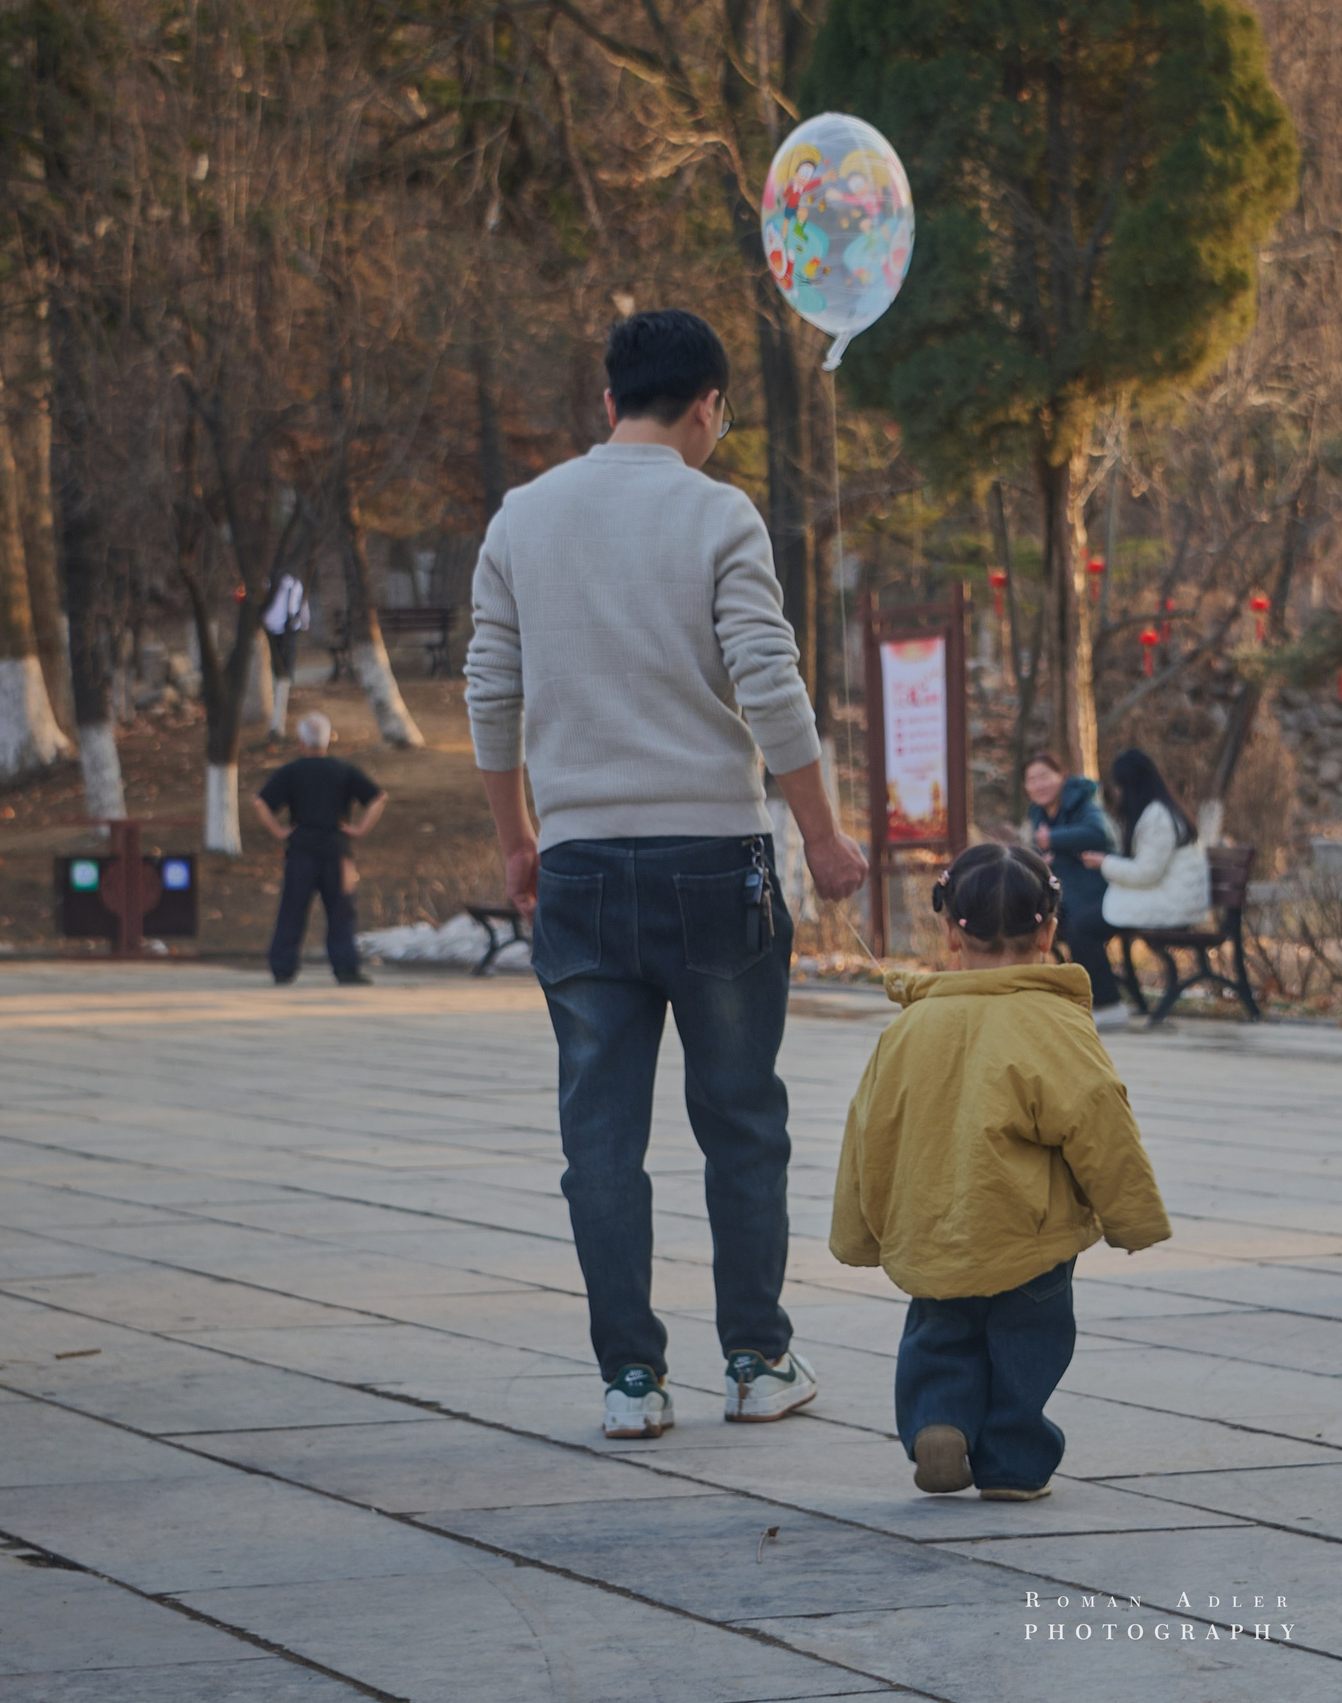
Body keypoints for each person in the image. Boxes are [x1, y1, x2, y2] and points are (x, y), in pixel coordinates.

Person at [464, 308, 869, 1441]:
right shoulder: (717, 512)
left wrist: (517, 837)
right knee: (739, 1118)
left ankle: (630, 1379)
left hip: (582, 863)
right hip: (713, 863)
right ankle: (755, 1358)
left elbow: (489, 692)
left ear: (608, 403)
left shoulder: (522, 516)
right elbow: (770, 684)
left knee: (599, 1136)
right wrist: (824, 836)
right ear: (709, 408)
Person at [830, 844, 1172, 1501]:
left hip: (934, 1225)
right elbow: (1100, 1122)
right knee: (1029, 1339)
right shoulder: (1053, 1023)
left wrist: (859, 1232)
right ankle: (1013, 1459)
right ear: (1049, 930)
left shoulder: (911, 1027)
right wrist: (1133, 1216)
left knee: (939, 1332)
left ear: (950, 931)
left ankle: (938, 1420)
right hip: (1029, 1233)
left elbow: (869, 1130)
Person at [254, 712, 385, 987]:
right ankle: (346, 968)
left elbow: (261, 803)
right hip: (337, 850)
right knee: (341, 911)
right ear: (327, 740)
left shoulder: (291, 771)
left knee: (292, 909)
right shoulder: (343, 770)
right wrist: (360, 829)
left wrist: (278, 831)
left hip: (301, 849)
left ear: (301, 740)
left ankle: (283, 967)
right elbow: (378, 797)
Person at [1023, 753, 1126, 1030]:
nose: (1038, 784)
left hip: (1102, 894)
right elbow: (1038, 849)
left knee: (1078, 927)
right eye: (1031, 779)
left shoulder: (1083, 799)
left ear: (1062, 777)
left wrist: (1052, 840)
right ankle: (1033, 998)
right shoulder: (1038, 812)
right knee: (1029, 922)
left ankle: (1107, 1004)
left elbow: (1099, 833)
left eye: (1044, 775)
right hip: (1068, 895)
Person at [1089, 747, 1210, 935]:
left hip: (1175, 905)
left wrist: (1104, 863)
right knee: (1087, 917)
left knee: (1081, 927)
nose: (1118, 792)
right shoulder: (1160, 810)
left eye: (1119, 786)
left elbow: (1146, 873)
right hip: (1173, 897)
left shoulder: (1158, 818)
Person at [264, 570, 311, 740]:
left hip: (290, 628)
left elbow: (302, 604)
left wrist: (303, 622)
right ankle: (278, 688)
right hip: (273, 629)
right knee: (276, 664)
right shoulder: (269, 584)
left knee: (287, 665)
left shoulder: (296, 585)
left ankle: (284, 688)